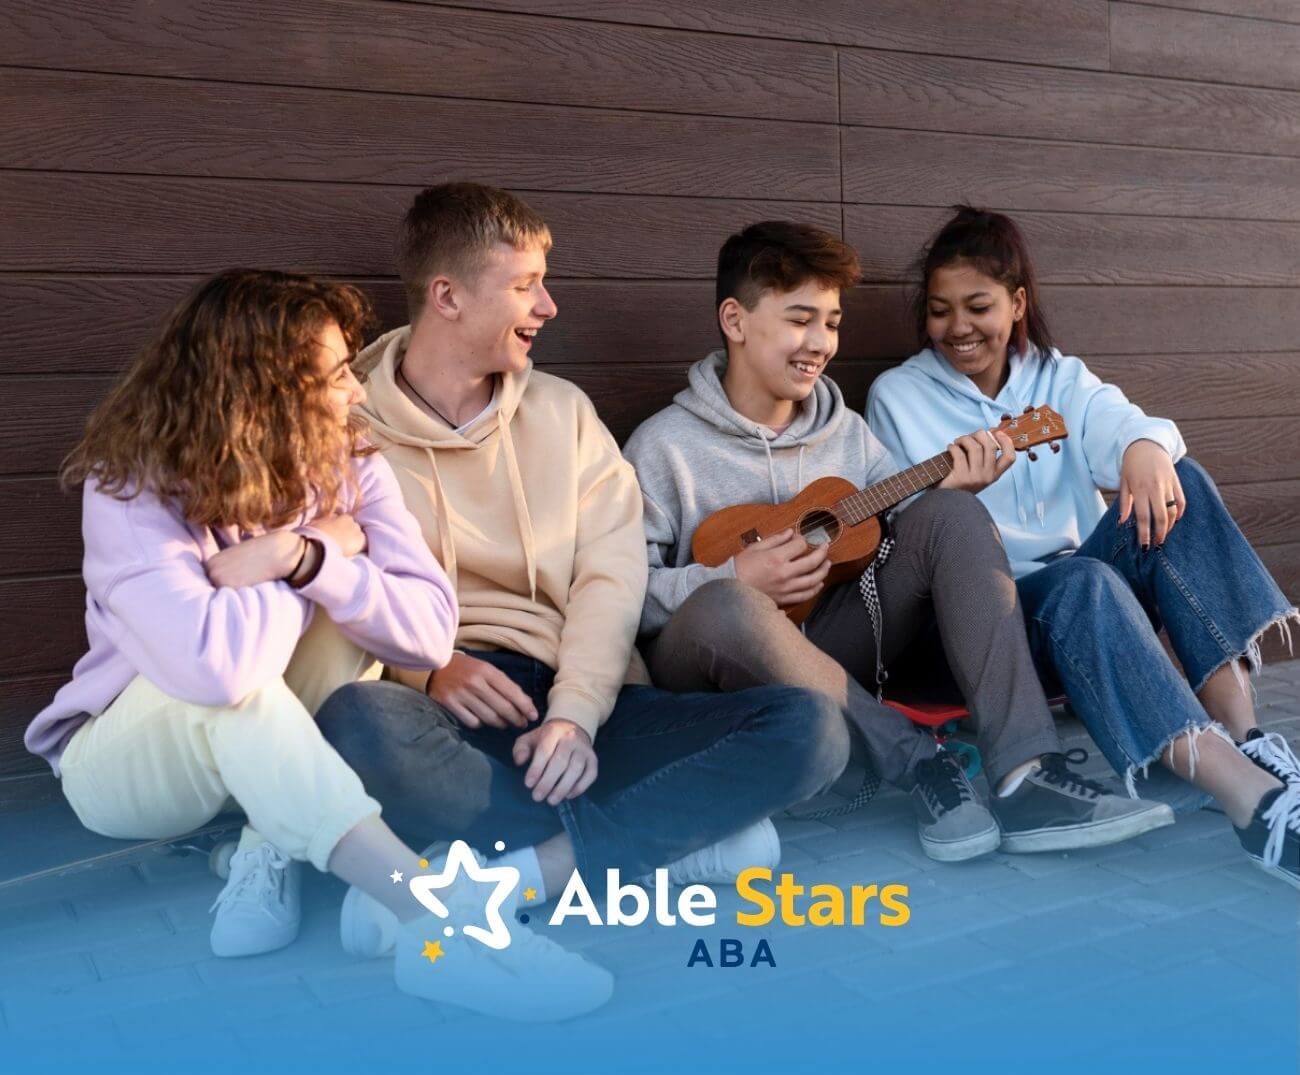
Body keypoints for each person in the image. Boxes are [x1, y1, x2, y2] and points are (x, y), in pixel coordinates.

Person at [26, 269, 611, 1021]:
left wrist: (299, 558)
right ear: (260, 391)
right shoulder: (133, 489)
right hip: (124, 764)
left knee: (341, 606)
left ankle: (272, 835)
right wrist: (316, 555)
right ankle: (440, 927)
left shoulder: (348, 463)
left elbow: (431, 632)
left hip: (252, 722)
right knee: (242, 693)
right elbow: (220, 669)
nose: (357, 392)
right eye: (337, 374)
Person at [308, 184, 851, 967]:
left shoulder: (563, 412)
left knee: (811, 729)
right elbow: (338, 583)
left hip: (590, 702)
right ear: (448, 296)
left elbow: (611, 575)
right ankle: (663, 845)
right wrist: (426, 670)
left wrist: (575, 715)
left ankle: (510, 877)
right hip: (451, 711)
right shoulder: (349, 425)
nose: (549, 305)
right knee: (356, 722)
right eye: (526, 284)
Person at [622, 220, 1171, 864]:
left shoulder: (847, 435)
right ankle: (921, 761)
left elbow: (918, 530)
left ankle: (1027, 777)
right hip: (711, 665)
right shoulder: (664, 447)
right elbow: (620, 590)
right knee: (730, 604)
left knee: (948, 514)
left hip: (830, 647)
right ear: (735, 320)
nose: (820, 344)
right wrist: (733, 577)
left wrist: (959, 492)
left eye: (831, 323)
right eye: (801, 320)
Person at [867, 206, 1300, 888]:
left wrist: (1144, 449)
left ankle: (1249, 739)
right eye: (940, 311)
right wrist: (958, 494)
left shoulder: (1058, 379)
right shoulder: (898, 395)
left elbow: (1125, 421)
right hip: (997, 628)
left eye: (977, 306)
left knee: (1179, 480)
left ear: (1017, 303)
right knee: (1081, 581)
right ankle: (1250, 800)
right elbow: (904, 538)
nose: (957, 328)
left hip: (1085, 588)